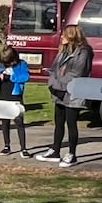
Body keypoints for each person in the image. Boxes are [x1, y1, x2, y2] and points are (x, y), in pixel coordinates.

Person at [38, 24, 93, 167]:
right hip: (59, 93)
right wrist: (53, 84)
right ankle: (55, 150)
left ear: (72, 36)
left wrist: (58, 84)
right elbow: (54, 69)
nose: (61, 37)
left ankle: (72, 154)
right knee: (58, 122)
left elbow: (77, 73)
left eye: (64, 35)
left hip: (73, 93)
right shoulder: (63, 51)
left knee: (71, 123)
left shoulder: (84, 52)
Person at [0, 45, 32, 157]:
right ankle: (6, 145)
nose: (6, 65)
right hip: (3, 94)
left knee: (19, 122)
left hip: (15, 95)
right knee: (5, 122)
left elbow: (25, 77)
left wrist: (12, 77)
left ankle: (23, 148)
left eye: (8, 63)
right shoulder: (2, 64)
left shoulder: (22, 64)